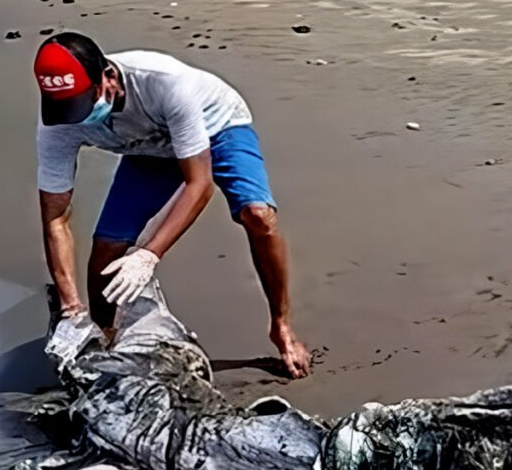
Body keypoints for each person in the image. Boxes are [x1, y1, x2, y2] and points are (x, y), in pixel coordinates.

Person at [34, 32, 311, 378]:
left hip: (216, 127)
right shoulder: (58, 124)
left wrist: (150, 254)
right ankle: (105, 344)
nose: (78, 116)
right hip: (147, 147)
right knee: (106, 252)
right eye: (68, 108)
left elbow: (200, 183)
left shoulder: (164, 84)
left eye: (84, 103)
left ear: (107, 76)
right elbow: (55, 218)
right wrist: (71, 308)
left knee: (258, 216)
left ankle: (281, 326)